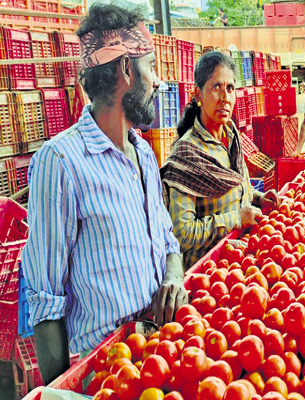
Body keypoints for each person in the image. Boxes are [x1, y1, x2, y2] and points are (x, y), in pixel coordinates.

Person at [22, 3, 187, 384]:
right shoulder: (61, 161)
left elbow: (168, 243)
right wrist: (67, 390)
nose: (158, 81)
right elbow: (45, 300)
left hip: (159, 360)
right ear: (127, 71)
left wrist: (173, 279)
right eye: (152, 67)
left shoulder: (144, 153)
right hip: (108, 376)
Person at [162, 51, 279, 270]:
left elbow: (237, 189)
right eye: (216, 87)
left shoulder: (231, 136)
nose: (225, 98)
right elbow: (181, 233)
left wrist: (258, 197)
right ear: (198, 94)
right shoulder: (187, 153)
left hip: (238, 260)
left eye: (230, 88)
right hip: (208, 274)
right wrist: (236, 218)